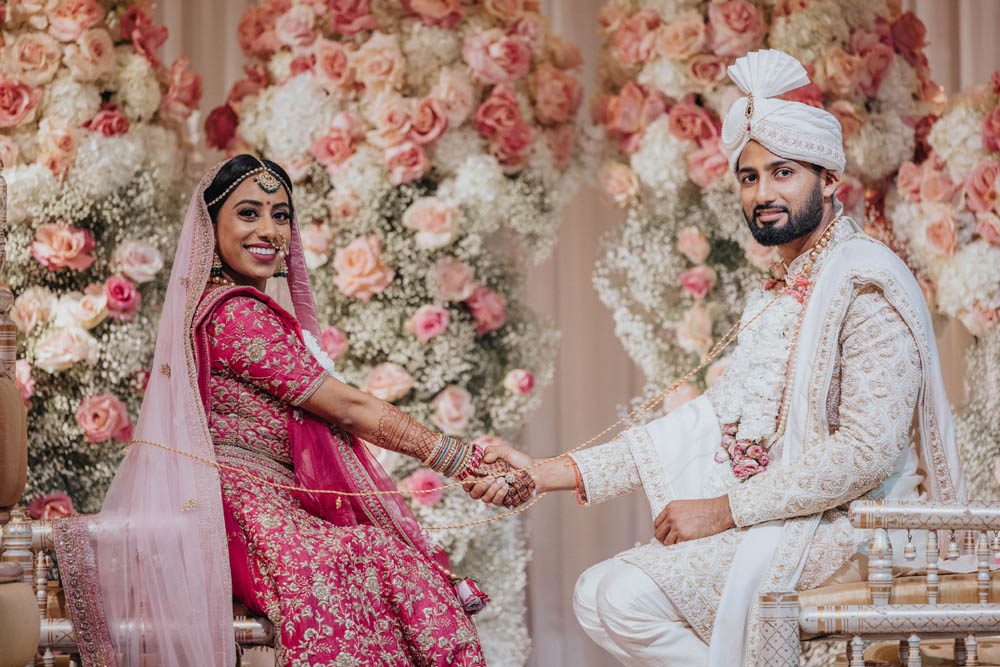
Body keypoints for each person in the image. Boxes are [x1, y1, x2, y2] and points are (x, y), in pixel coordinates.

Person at [468, 49, 966, 666]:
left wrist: (724, 511)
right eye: (749, 177)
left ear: (830, 180)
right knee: (599, 594)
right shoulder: (782, 291)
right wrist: (548, 472)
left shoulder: (864, 284)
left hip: (862, 527)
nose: (763, 193)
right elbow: (709, 420)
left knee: (621, 596)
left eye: (784, 173)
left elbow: (867, 452)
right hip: (793, 518)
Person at [51, 155, 533, 666]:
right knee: (368, 558)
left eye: (281, 215)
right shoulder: (236, 314)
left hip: (268, 503)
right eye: (249, 213)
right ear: (211, 225)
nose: (269, 229)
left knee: (379, 559)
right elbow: (347, 407)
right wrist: (461, 461)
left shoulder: (241, 307)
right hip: (240, 509)